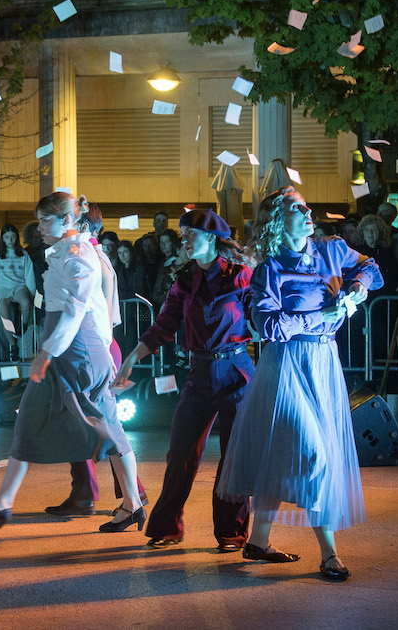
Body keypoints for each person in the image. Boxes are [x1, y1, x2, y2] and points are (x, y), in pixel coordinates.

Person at [216, 187, 382, 581]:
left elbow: (371, 268)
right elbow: (269, 326)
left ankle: (258, 539)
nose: (308, 211)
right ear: (278, 220)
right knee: (315, 456)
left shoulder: (332, 249)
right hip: (285, 365)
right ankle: (329, 553)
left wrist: (357, 288)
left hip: (324, 363)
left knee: (283, 454)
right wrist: (324, 315)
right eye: (296, 207)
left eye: (306, 204)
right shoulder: (269, 269)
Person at [0, 192, 143, 531]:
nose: (39, 227)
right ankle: (3, 502)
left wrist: (47, 353)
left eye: (46, 220)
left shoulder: (80, 256)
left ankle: (132, 503)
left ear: (68, 220)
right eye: (39, 220)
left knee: (107, 428)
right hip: (67, 348)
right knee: (33, 419)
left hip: (78, 351)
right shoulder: (64, 252)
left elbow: (78, 312)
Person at [116, 209, 253, 552]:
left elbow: (264, 314)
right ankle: (167, 527)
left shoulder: (240, 276)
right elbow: (163, 326)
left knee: (234, 457)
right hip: (199, 373)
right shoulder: (184, 280)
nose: (184, 240)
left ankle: (231, 532)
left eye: (190, 234)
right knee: (180, 453)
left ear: (211, 238)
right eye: (183, 235)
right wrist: (132, 358)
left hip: (237, 373)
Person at [44, 199, 148, 518]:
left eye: (67, 220)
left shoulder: (89, 257)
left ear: (83, 226)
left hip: (95, 347)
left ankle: (97, 493)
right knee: (89, 421)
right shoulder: (90, 255)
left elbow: (97, 315)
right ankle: (111, 492)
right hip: (96, 346)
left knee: (91, 421)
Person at [0, 224, 35, 360]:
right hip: (2, 287)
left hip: (19, 285)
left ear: (17, 237)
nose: (10, 240)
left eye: (13, 237)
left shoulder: (23, 254)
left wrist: (31, 292)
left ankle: (23, 325)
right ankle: (13, 345)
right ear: (3, 239)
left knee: (26, 302)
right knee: (4, 314)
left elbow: (29, 274)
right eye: (7, 237)